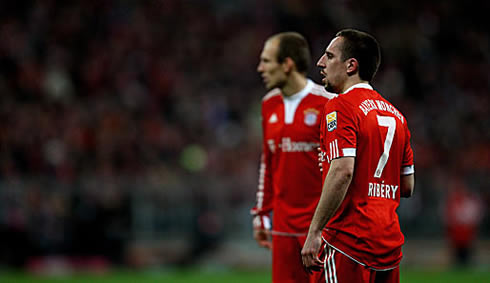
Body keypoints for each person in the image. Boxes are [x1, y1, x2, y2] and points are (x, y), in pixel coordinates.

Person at [301, 29, 415, 283]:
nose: (320, 62)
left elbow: (342, 171)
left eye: (329, 56)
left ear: (351, 65)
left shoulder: (340, 106)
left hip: (348, 243)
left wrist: (315, 230)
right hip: (388, 245)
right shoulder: (397, 117)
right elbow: (407, 186)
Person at [251, 32, 335, 283]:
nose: (260, 68)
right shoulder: (269, 105)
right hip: (284, 227)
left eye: (266, 61)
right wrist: (261, 212)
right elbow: (268, 162)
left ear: (287, 64)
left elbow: (342, 168)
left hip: (321, 227)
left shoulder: (328, 103)